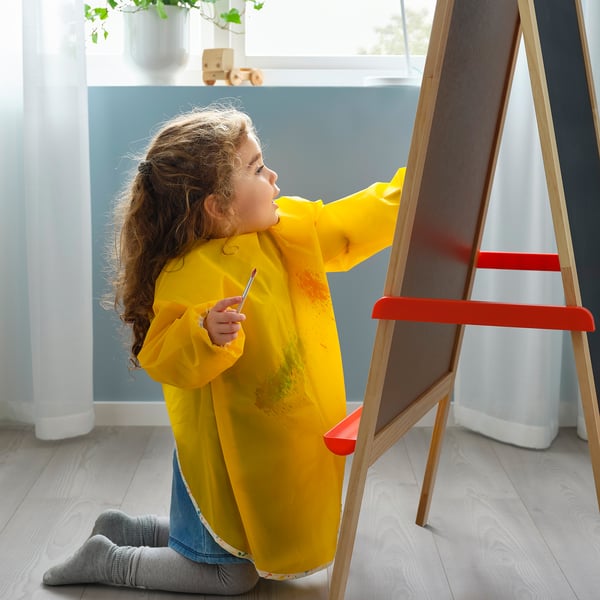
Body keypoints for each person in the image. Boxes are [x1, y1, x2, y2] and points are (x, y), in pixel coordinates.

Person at [43, 106, 405, 594]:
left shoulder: (284, 229)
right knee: (230, 574)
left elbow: (344, 226)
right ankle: (111, 559)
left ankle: (131, 528)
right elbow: (162, 353)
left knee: (243, 544)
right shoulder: (188, 270)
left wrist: (411, 193)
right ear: (218, 206)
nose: (272, 174)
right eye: (256, 168)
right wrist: (203, 332)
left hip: (269, 446)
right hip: (221, 460)